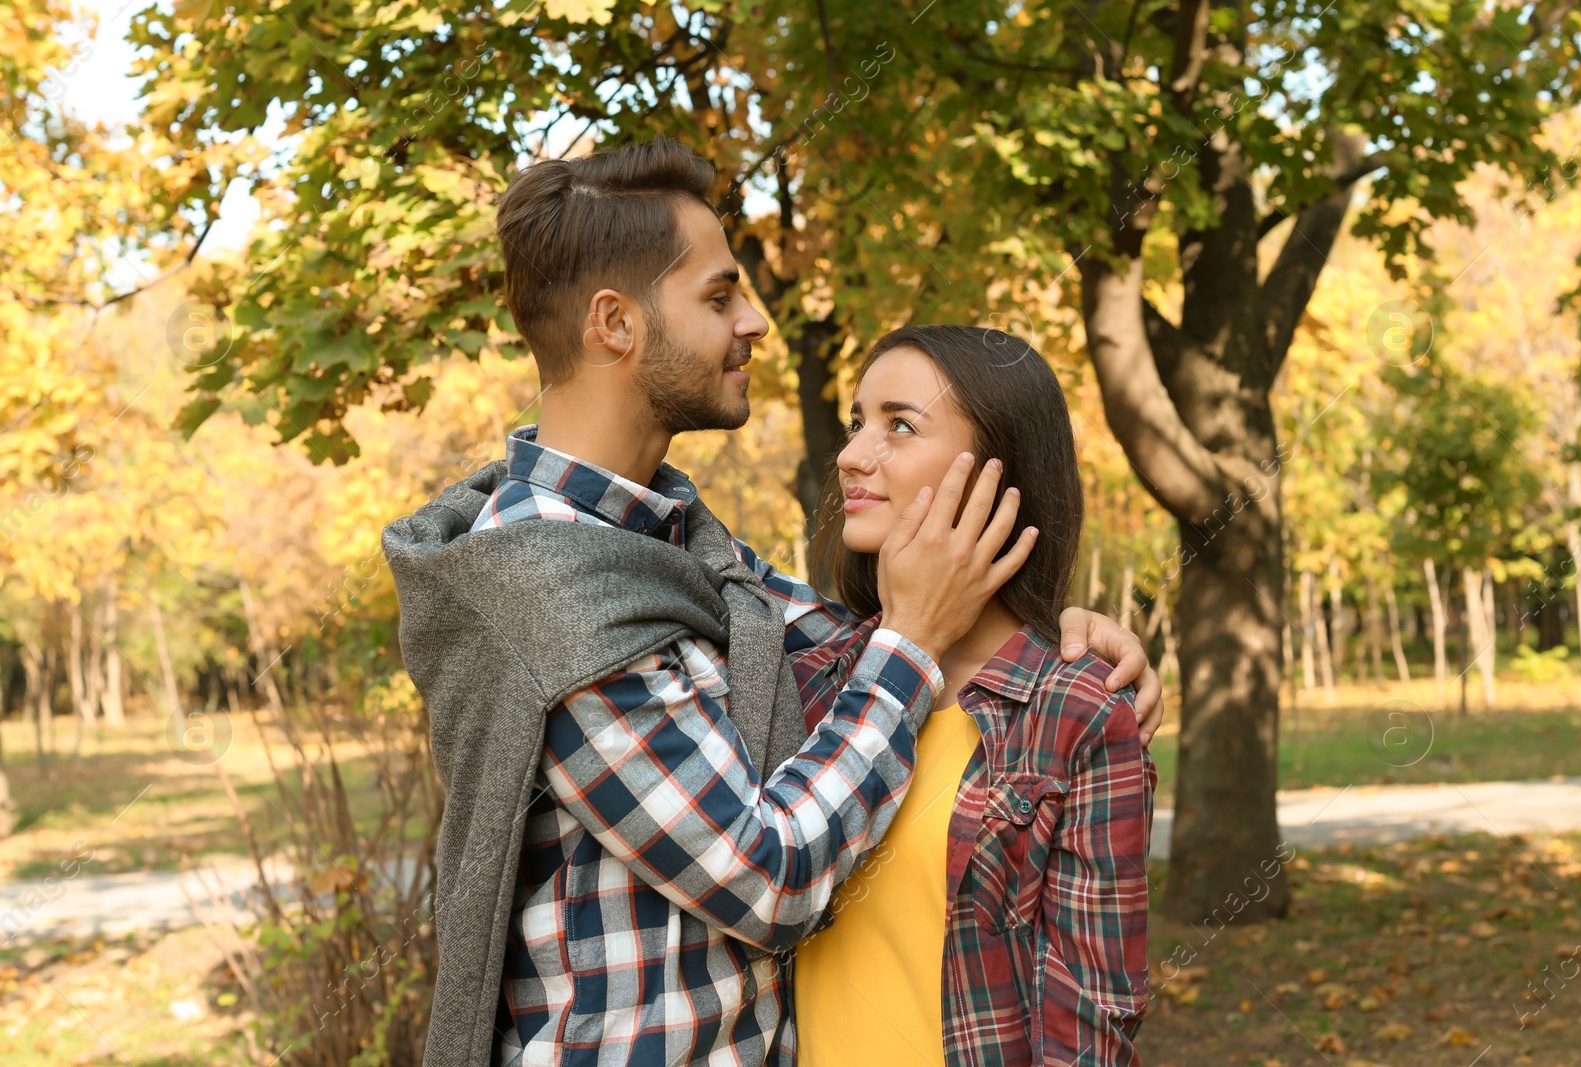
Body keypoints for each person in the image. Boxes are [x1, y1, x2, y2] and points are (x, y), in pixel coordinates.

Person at [382, 137, 1162, 1067]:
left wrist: (1074, 639)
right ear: (615, 323)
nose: (754, 321)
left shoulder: (680, 553)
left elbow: (881, 640)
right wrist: (912, 640)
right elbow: (769, 878)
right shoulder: (543, 588)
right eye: (719, 296)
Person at [790, 325, 1156, 1066]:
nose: (853, 453)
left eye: (899, 424)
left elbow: (1091, 1025)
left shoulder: (1079, 711)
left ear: (998, 468)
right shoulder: (808, 677)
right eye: (859, 420)